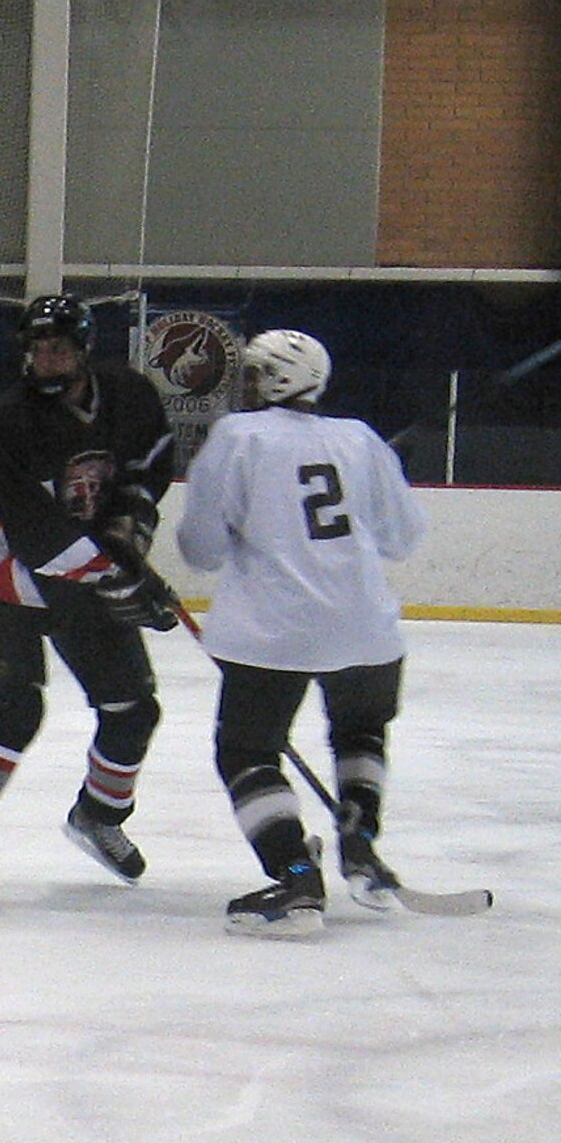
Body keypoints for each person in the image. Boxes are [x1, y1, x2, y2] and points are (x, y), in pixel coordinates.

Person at [0, 294, 180, 909]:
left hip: (83, 571)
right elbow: (33, 529)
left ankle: (99, 815)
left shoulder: (128, 395)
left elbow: (150, 466)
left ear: (84, 350)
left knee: (133, 709)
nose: (46, 359)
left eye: (59, 348)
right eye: (37, 350)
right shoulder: (11, 421)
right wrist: (115, 577)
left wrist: (130, 532)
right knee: (15, 710)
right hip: (8, 579)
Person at [176, 329, 427, 937]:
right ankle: (360, 843)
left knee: (247, 752)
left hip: (272, 632)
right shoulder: (360, 439)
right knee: (361, 732)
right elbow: (402, 538)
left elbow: (200, 550)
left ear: (270, 380)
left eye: (254, 373)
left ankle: (294, 878)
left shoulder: (237, 437)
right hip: (367, 627)